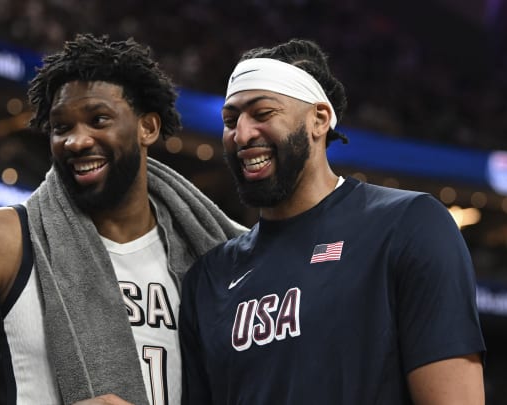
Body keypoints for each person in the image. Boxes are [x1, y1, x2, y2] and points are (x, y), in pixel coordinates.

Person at [0, 33, 245, 405]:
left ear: (148, 128)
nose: (76, 141)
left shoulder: (208, 262)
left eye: (98, 119)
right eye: (61, 127)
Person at [179, 38, 486, 404]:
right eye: (231, 121)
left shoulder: (408, 224)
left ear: (319, 120)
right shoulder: (209, 277)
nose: (242, 135)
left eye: (262, 114)